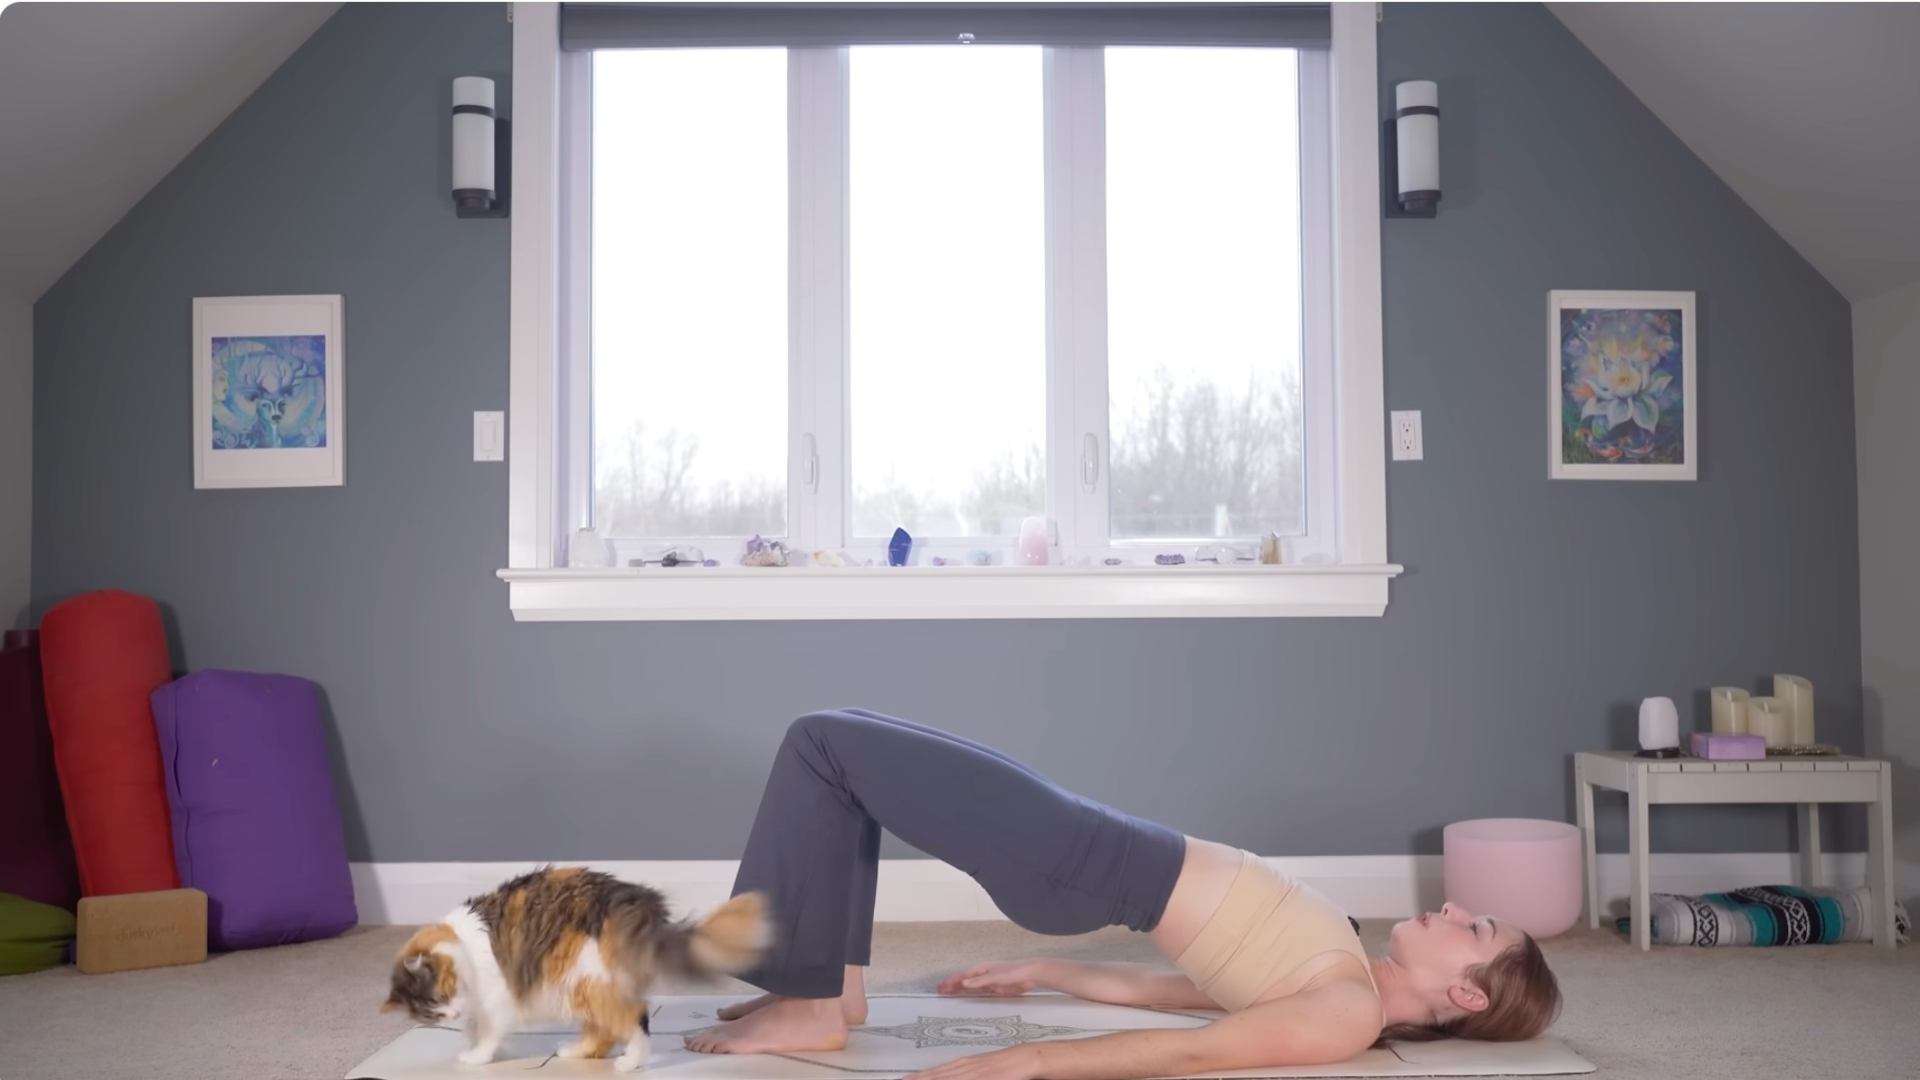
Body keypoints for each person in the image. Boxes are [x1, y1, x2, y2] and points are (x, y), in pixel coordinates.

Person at [685, 709, 1561, 1078]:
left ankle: (808, 1000)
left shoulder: (1347, 1016)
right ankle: (830, 990)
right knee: (846, 753)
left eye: (1473, 926)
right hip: (1080, 841)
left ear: (1467, 991)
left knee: (821, 743)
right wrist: (1049, 973)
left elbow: (1191, 1053)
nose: (1452, 908)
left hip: (1073, 855)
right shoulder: (1349, 984)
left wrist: (1023, 1061)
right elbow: (1181, 993)